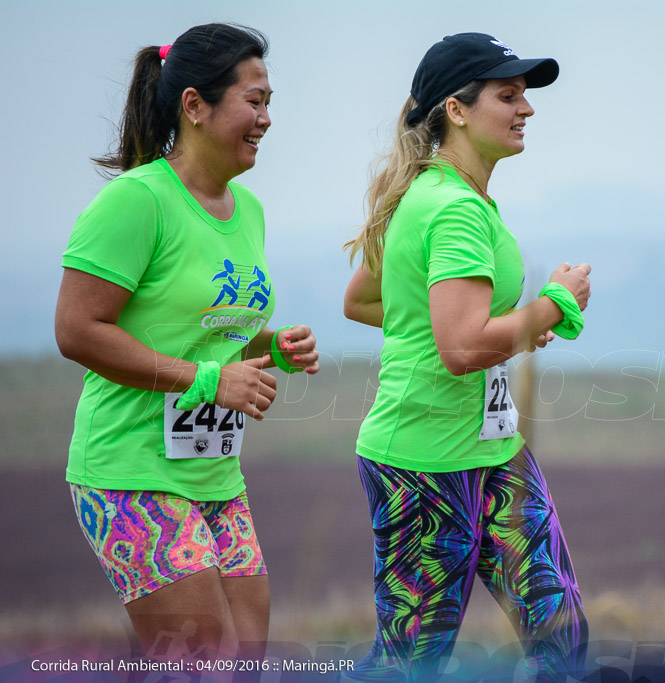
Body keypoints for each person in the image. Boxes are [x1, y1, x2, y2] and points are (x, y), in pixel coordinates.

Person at [54, 23, 319, 660]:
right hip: (128, 471)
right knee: (205, 660)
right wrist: (208, 382)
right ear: (194, 105)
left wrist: (270, 347)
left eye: (269, 103)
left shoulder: (247, 209)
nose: (266, 119)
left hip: (213, 472)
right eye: (253, 102)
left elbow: (209, 334)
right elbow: (76, 330)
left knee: (245, 658)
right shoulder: (135, 201)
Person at [343, 32, 590, 682]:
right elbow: (458, 347)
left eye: (525, 96)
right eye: (508, 95)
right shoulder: (450, 208)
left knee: (561, 631)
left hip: (494, 452)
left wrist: (499, 330)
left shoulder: (451, 197)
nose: (526, 108)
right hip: (422, 467)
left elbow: (372, 300)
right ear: (456, 109)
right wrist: (552, 306)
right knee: (408, 665)